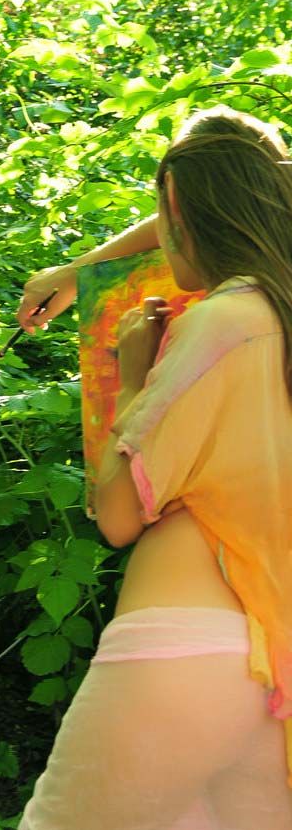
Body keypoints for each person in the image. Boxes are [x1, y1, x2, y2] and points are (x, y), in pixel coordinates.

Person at [15, 106, 292, 829]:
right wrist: (84, 269)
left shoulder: (219, 323)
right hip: (268, 660)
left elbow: (117, 515)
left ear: (183, 213)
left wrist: (134, 375)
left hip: (176, 650)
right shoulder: (281, 317)